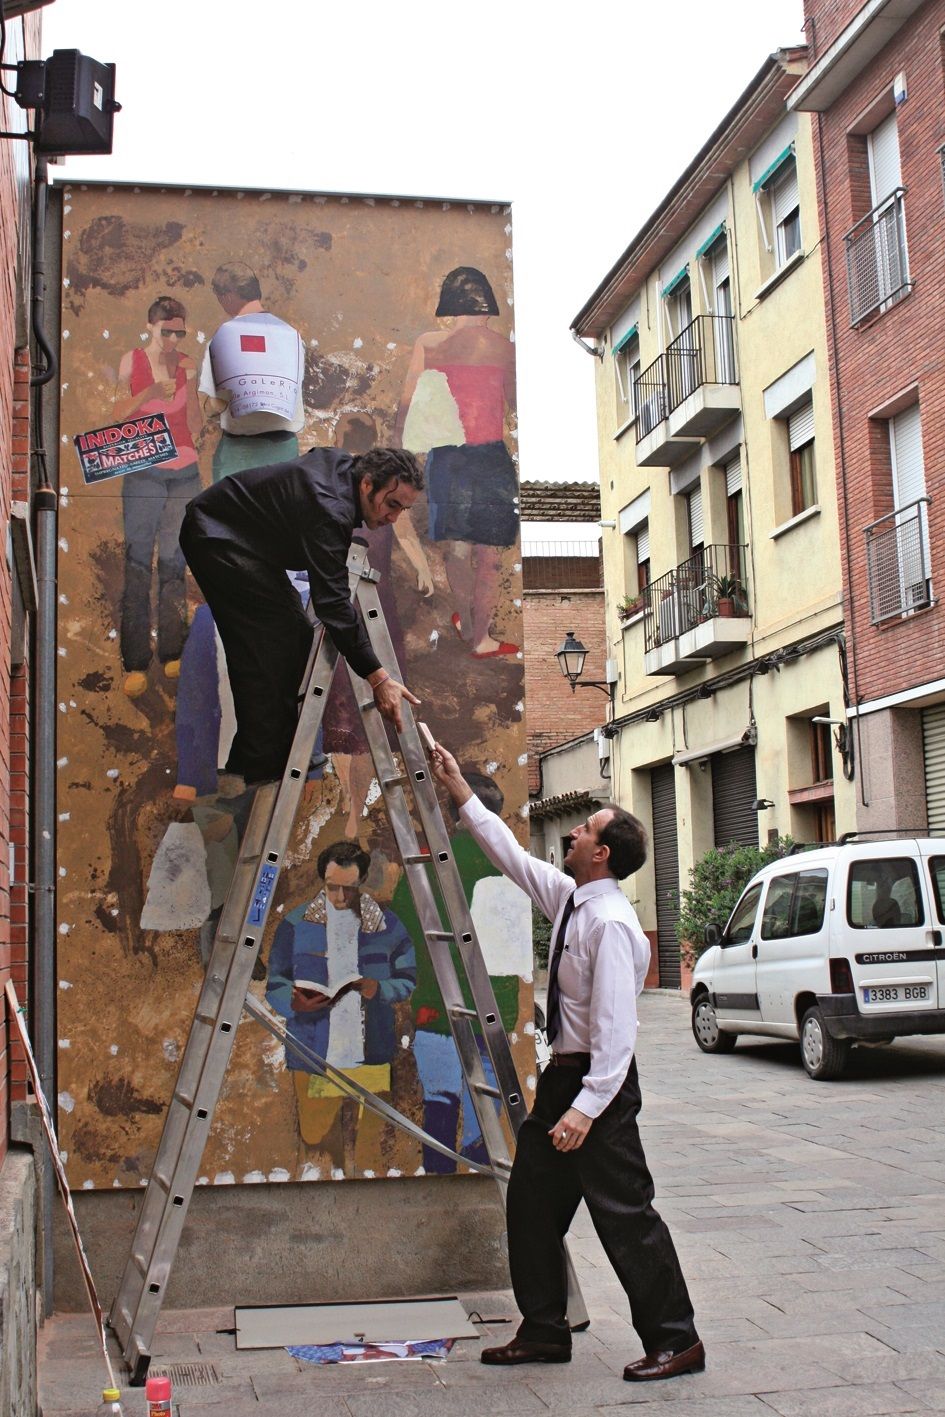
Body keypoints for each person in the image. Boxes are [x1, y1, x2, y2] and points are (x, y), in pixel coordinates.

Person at [429, 741, 704, 1383]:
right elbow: (513, 858)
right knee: (530, 1202)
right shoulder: (571, 900)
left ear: (601, 853)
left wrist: (585, 1110)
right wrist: (459, 791)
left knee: (625, 1215)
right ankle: (544, 1330)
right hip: (565, 1081)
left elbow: (615, 1035)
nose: (572, 833)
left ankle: (676, 1339)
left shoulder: (610, 924)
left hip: (597, 1088)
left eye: (583, 829)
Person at [178, 446, 422, 788]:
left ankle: (254, 756)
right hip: (217, 536)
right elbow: (333, 606)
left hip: (244, 539)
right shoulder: (330, 508)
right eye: (392, 504)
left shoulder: (345, 469)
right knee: (271, 639)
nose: (394, 517)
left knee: (292, 632)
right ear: (367, 484)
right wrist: (378, 678)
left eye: (404, 508)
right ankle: (262, 762)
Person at [266, 839, 416, 1170]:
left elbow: (408, 978)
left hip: (372, 1050)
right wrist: (294, 1003)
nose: (339, 897)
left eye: (348, 888)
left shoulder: (386, 926)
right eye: (332, 887)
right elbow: (275, 983)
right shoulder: (296, 925)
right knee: (316, 1140)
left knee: (368, 1147)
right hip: (313, 1051)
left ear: (360, 882)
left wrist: (381, 988)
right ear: (323, 881)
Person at [394, 266, 518, 658]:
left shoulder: (429, 344)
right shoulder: (504, 349)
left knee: (458, 553)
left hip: (448, 458)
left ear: (450, 307)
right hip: (490, 457)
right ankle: (481, 636)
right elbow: (515, 404)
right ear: (486, 309)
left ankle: (464, 618)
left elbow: (407, 404)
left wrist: (399, 452)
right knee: (489, 558)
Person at [113, 295, 203, 698]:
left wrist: (195, 383)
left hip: (183, 471)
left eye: (179, 333)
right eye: (166, 331)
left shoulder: (185, 365)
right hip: (143, 468)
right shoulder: (133, 361)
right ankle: (134, 660)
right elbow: (116, 413)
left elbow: (196, 423)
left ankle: (172, 651)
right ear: (152, 326)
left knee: (173, 561)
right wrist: (150, 391)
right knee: (137, 561)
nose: (172, 340)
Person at [198, 261, 306, 482]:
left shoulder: (223, 337)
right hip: (283, 449)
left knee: (230, 515)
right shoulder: (292, 336)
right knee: (277, 515)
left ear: (226, 296)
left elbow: (214, 406)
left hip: (238, 453)